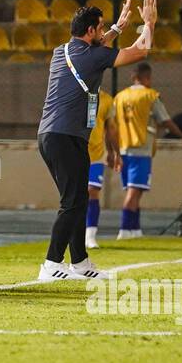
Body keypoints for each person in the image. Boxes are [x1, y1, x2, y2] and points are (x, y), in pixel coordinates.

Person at [36, 0, 156, 281]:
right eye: (100, 28)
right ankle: (51, 264)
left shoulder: (60, 51)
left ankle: (80, 262)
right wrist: (149, 22)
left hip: (55, 135)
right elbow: (142, 51)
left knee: (79, 198)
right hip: (65, 136)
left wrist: (117, 27)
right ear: (90, 31)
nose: (104, 32)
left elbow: (95, 46)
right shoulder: (95, 56)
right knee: (73, 201)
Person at [114, 62, 182, 239]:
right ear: (147, 78)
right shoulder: (150, 96)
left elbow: (112, 124)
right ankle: (125, 229)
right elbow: (165, 120)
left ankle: (135, 230)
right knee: (134, 191)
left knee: (135, 190)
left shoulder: (119, 97)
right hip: (141, 148)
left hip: (123, 148)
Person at [83, 87, 119, 251]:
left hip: (96, 155)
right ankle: (75, 234)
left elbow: (110, 128)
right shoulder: (75, 92)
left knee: (92, 190)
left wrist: (114, 152)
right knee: (75, 195)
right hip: (75, 153)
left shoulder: (106, 99)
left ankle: (90, 236)